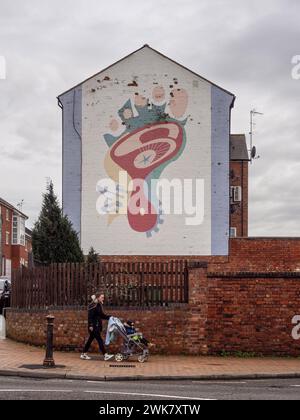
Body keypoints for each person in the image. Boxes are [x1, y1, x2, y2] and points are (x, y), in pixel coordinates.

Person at [80, 292, 114, 361]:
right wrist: (91, 325)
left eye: (103, 297)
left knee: (90, 340)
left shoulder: (98, 305)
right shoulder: (93, 305)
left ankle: (83, 354)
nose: (103, 298)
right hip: (94, 327)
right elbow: (90, 316)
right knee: (99, 340)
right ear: (98, 297)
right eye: (102, 297)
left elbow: (101, 315)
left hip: (97, 326)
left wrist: (109, 317)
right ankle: (105, 355)